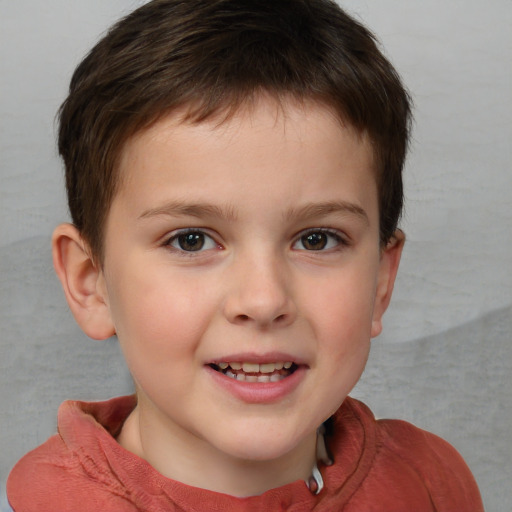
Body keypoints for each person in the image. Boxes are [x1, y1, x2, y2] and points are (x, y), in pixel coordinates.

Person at [7, 0, 483, 510]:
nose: (262, 300)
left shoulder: (432, 484)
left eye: (317, 239)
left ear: (381, 282)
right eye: (191, 240)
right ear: (89, 281)